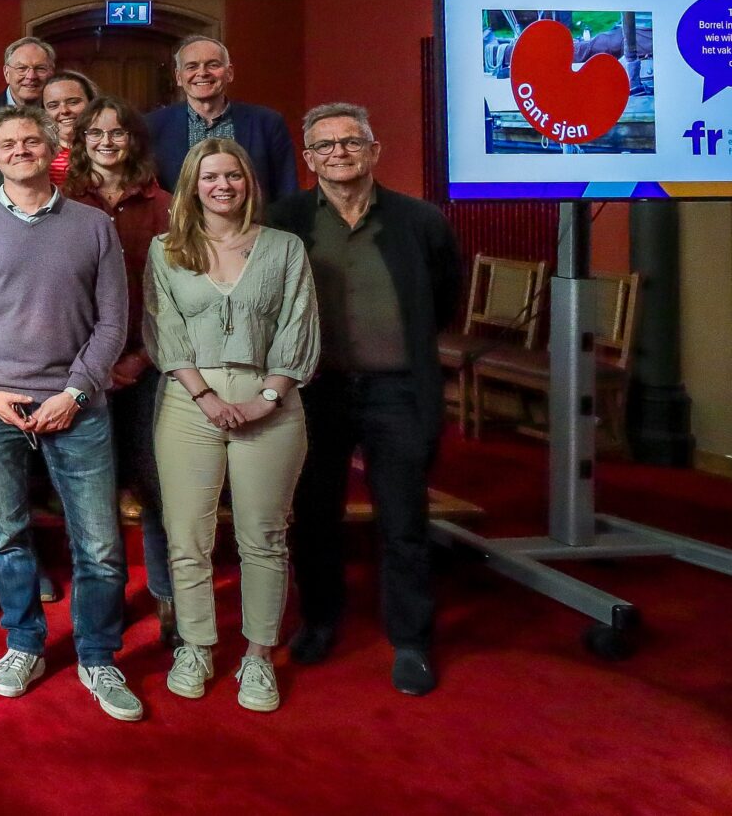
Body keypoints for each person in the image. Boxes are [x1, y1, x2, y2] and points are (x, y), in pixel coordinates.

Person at [0, 107, 143, 721]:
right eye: (8, 143)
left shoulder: (93, 225)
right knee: (6, 534)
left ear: (52, 150)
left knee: (99, 543)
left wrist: (75, 392)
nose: (20, 149)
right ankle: (24, 643)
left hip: (76, 406)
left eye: (32, 140)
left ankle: (98, 655)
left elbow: (114, 322)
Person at [269, 103, 460, 697]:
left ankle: (411, 639)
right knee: (315, 514)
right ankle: (321, 620)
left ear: (374, 150)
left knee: (403, 518)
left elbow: (443, 300)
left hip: (397, 390)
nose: (339, 154)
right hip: (315, 389)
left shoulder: (421, 221)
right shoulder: (285, 220)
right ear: (309, 159)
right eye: (325, 146)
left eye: (351, 142)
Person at [149, 141, 319, 713]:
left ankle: (258, 655)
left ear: (249, 182)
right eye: (210, 177)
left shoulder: (285, 248)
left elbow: (299, 327)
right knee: (186, 537)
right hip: (188, 401)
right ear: (192, 186)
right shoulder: (166, 250)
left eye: (233, 176)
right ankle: (196, 646)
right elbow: (165, 331)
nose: (222, 186)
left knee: (263, 537)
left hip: (270, 399)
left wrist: (267, 398)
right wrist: (204, 396)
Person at [65, 98, 176, 646]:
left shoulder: (166, 206)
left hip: (149, 365)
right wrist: (92, 366)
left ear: (134, 140)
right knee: (92, 495)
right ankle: (101, 604)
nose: (106, 142)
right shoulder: (63, 203)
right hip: (81, 370)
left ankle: (170, 599)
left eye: (118, 132)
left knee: (158, 488)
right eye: (95, 133)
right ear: (81, 141)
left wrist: (140, 357)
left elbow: (179, 297)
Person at [145, 35, 301, 202]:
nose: (202, 73)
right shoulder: (151, 126)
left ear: (229, 73)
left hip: (254, 219)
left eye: (213, 65)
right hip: (177, 219)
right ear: (178, 77)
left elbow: (287, 194)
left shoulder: (268, 123)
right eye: (192, 66)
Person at [42, 69, 95, 182]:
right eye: (53, 106)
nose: (64, 111)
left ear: (92, 103)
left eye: (73, 102)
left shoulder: (106, 148)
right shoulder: (40, 154)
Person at [0, 36, 56, 112]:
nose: (31, 76)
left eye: (40, 68)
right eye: (22, 68)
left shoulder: (59, 113)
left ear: (51, 73)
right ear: (7, 73)